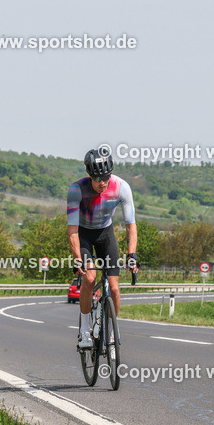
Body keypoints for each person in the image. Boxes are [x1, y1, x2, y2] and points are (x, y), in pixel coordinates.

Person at [68, 146, 137, 349]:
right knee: (89, 278)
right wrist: (77, 257)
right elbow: (72, 230)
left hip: (105, 235)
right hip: (84, 234)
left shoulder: (122, 187)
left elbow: (130, 225)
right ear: (89, 175)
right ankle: (83, 333)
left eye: (105, 177)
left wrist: (131, 254)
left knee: (114, 288)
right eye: (97, 178)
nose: (102, 182)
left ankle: (110, 328)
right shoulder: (76, 190)